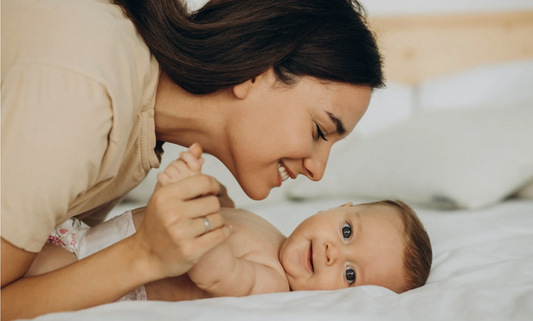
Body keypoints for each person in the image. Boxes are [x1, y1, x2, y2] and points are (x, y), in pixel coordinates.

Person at [1, 0, 383, 318]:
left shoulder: (141, 140)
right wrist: (145, 254)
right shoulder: (88, 94)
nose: (318, 171)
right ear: (255, 71)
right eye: (319, 131)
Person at [26, 146, 432, 301]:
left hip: (95, 276)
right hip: (83, 239)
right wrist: (215, 196)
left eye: (349, 274)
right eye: (346, 232)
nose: (332, 252)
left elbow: (217, 272)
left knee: (23, 278)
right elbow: (232, 221)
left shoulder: (272, 281)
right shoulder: (272, 235)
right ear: (339, 208)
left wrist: (192, 204)